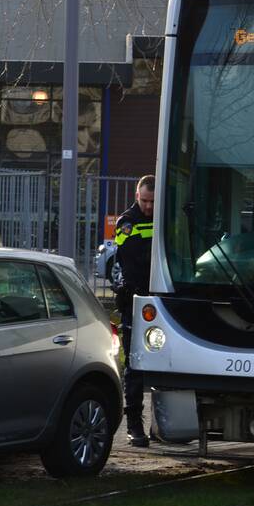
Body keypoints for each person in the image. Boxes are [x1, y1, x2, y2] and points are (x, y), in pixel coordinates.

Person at [113, 175, 155, 447]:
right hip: (135, 300)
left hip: (159, 297)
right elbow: (126, 256)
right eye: (144, 201)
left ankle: (162, 424)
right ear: (136, 196)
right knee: (135, 364)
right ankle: (134, 425)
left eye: (152, 201)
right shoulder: (127, 222)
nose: (149, 206)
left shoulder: (166, 213)